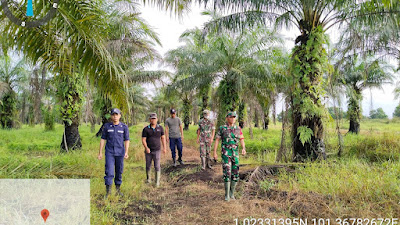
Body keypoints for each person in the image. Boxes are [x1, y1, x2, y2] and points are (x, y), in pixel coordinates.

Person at [213, 111, 246, 201]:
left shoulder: (238, 129)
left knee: (235, 173)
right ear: (227, 118)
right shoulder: (222, 128)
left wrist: (243, 148)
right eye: (231, 117)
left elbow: (241, 139)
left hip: (235, 154)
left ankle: (232, 193)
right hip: (226, 153)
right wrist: (214, 152)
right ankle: (226, 194)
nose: (233, 119)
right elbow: (217, 140)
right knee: (227, 172)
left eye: (234, 117)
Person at [98, 108, 130, 198]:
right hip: (109, 153)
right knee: (109, 172)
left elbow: (127, 140)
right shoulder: (107, 126)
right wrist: (100, 152)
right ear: (111, 116)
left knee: (119, 171)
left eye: (117, 114)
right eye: (113, 115)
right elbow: (103, 139)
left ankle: (118, 190)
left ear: (120, 116)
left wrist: (126, 152)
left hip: (120, 153)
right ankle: (108, 193)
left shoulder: (124, 127)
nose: (115, 116)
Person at [142, 113, 167, 187]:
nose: (153, 120)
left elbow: (163, 138)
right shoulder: (146, 129)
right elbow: (143, 139)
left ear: (157, 119)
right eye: (152, 118)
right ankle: (148, 179)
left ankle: (157, 182)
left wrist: (164, 148)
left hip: (157, 150)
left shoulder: (160, 128)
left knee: (157, 165)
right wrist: (146, 148)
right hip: (148, 151)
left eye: (154, 118)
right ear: (149, 119)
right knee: (148, 165)